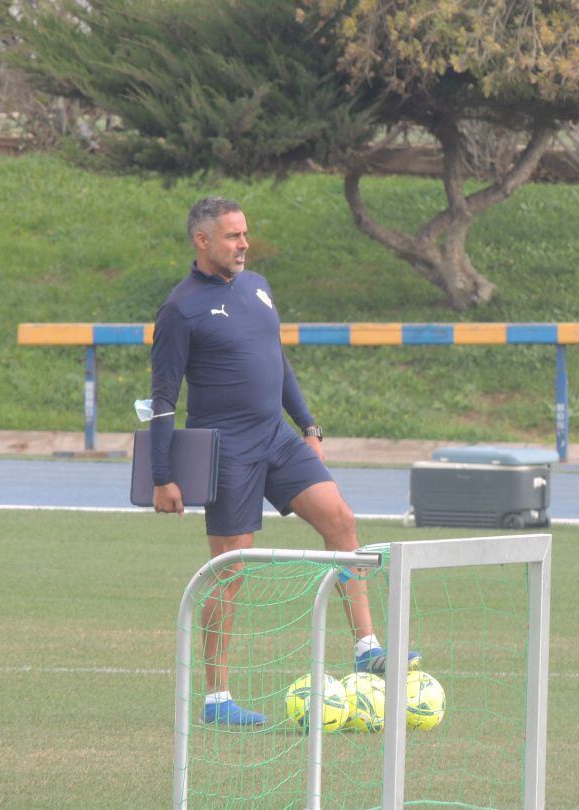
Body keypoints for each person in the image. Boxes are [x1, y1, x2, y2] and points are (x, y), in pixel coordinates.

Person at [149, 196, 419, 726]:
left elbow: (279, 362)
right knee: (231, 571)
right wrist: (163, 476)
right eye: (232, 236)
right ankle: (217, 700)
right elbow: (162, 398)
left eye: (245, 233)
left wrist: (309, 426)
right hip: (227, 451)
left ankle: (367, 646)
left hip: (277, 438)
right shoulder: (180, 308)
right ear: (202, 241)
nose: (244, 243)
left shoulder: (258, 287)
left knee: (340, 519)